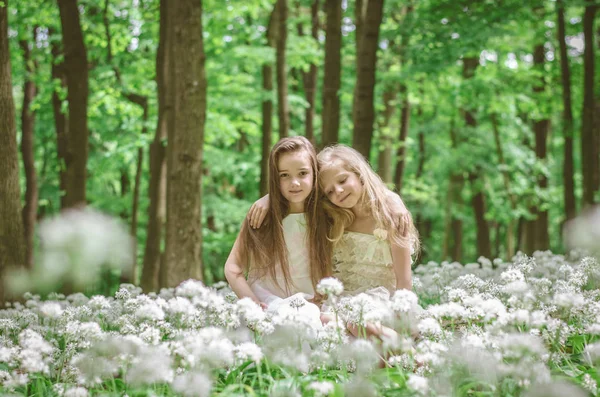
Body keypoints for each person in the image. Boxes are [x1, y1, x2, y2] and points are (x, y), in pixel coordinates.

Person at [247, 144, 419, 339]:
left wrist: (403, 318)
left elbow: (404, 279)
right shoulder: (332, 217)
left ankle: (409, 355)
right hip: (342, 297)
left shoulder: (390, 216)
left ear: (359, 174)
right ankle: (386, 355)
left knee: (356, 320)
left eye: (343, 180)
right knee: (322, 322)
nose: (338, 191)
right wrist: (269, 199)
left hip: (380, 297)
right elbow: (297, 195)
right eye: (329, 191)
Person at [224, 136, 331, 324]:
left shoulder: (328, 216)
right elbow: (233, 267)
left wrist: (394, 202)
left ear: (315, 173)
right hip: (269, 308)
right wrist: (253, 305)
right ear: (275, 178)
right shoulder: (260, 217)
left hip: (310, 311)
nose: (294, 183)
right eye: (284, 175)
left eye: (302, 173)